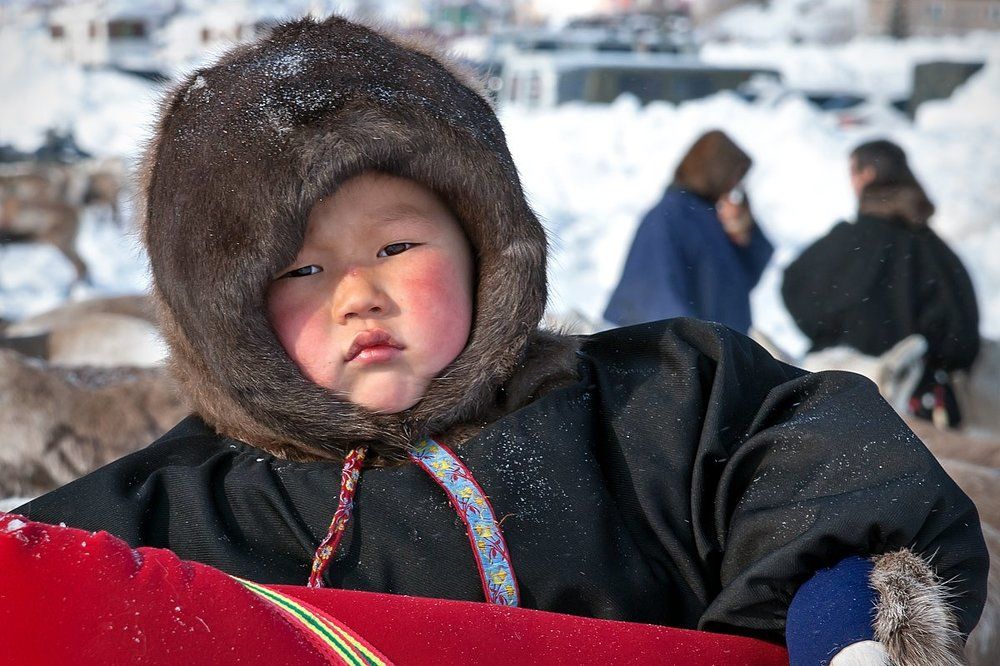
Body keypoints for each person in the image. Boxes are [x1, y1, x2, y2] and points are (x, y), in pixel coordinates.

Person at [14, 16, 987, 664]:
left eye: (396, 245)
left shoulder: (647, 404)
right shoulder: (178, 513)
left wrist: (845, 623)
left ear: (488, 247)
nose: (359, 294)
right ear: (219, 309)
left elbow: (831, 471)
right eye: (298, 271)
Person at [782, 139, 980, 427]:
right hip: (922, 417)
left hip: (838, 402)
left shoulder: (847, 245)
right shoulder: (933, 249)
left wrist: (838, 337)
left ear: (867, 175)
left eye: (853, 172)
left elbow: (796, 288)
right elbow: (960, 334)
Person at [603, 130, 773, 334]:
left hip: (717, 348)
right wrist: (692, 346)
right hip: (678, 352)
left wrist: (745, 232)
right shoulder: (670, 216)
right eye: (733, 178)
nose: (735, 187)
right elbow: (657, 293)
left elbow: (741, 280)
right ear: (715, 172)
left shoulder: (711, 216)